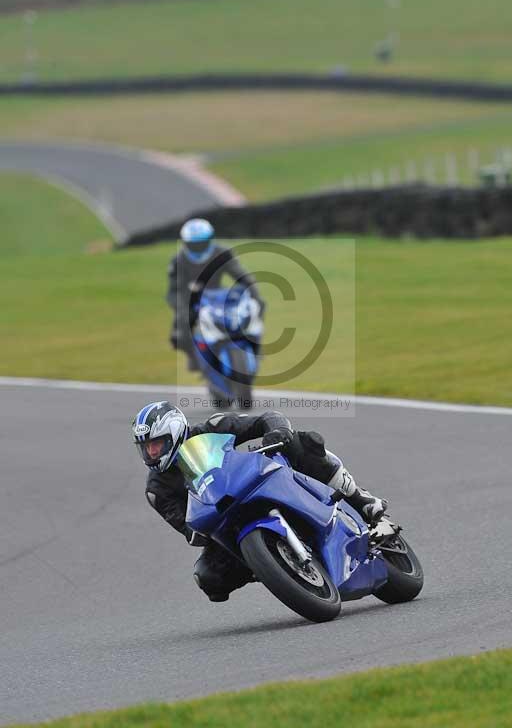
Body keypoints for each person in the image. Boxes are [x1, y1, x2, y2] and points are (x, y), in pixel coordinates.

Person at [132, 401, 388, 603]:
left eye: (157, 445)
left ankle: (359, 497)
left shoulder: (212, 427)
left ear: (175, 433)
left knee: (303, 442)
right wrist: (198, 532)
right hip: (221, 520)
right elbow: (187, 528)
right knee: (209, 578)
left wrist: (277, 432)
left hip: (251, 482)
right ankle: (272, 565)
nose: (152, 453)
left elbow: (266, 419)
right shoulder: (158, 489)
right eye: (146, 447)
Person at [167, 218, 264, 370]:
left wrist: (253, 293)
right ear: (186, 243)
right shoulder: (178, 261)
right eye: (194, 244)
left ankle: (254, 348)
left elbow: (240, 274)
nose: (199, 247)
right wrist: (183, 306)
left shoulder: (221, 253)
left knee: (256, 307)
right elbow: (175, 290)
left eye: (202, 243)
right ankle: (193, 356)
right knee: (181, 329)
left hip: (217, 294)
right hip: (189, 296)